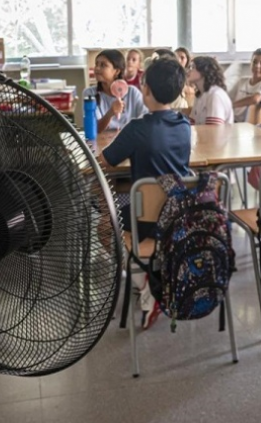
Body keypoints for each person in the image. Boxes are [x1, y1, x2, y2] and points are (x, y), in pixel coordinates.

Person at [100, 58, 192, 329]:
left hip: (146, 218)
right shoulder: (184, 126)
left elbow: (107, 161)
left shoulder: (137, 128)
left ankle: (144, 280)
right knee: (135, 202)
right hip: (178, 215)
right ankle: (154, 272)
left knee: (104, 227)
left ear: (146, 90)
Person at [83, 49, 147, 132]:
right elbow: (94, 129)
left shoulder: (133, 93)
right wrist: (111, 113)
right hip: (102, 143)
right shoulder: (90, 93)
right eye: (96, 64)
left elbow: (147, 120)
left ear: (117, 71)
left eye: (103, 65)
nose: (97, 68)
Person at [232, 48, 261, 123]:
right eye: (254, 62)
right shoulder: (242, 81)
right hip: (232, 119)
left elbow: (255, 99)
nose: (257, 66)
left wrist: (232, 105)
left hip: (249, 124)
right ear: (250, 63)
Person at [187, 56, 234, 125]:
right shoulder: (199, 95)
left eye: (192, 67)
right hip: (203, 135)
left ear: (204, 71)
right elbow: (192, 124)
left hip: (217, 135)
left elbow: (213, 131)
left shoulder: (215, 95)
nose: (188, 70)